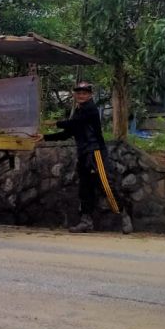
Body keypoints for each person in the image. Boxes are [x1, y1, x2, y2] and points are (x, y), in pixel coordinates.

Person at [37, 82, 133, 234]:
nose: (81, 95)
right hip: (83, 153)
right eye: (78, 93)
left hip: (95, 152)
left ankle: (123, 214)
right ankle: (86, 221)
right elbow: (68, 133)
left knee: (106, 185)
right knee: (85, 188)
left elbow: (73, 123)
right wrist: (44, 137)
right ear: (75, 95)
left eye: (84, 93)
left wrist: (55, 123)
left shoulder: (90, 109)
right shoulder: (78, 111)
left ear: (90, 95)